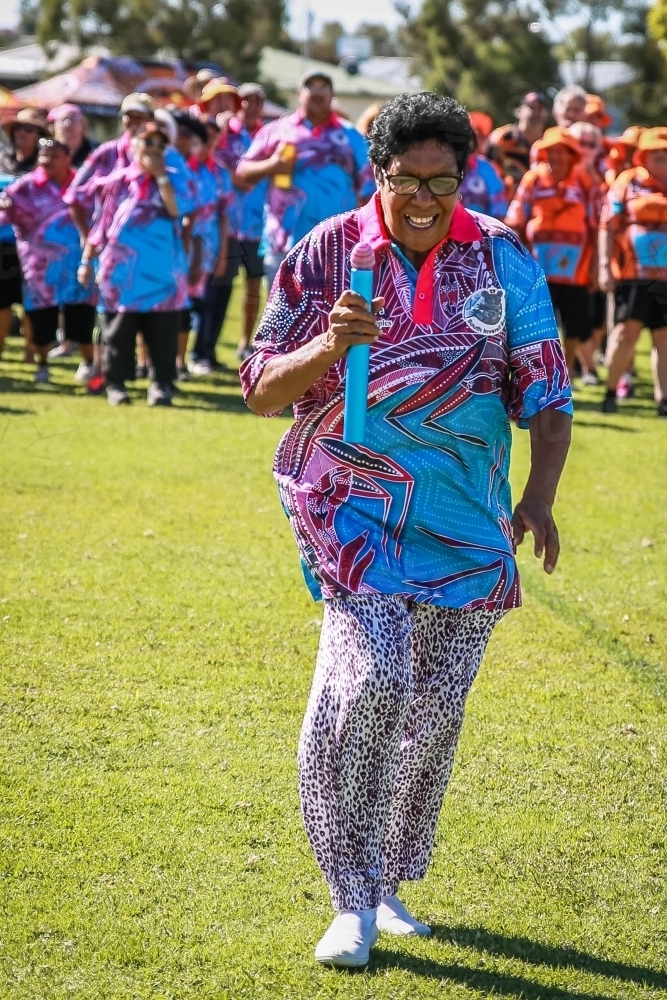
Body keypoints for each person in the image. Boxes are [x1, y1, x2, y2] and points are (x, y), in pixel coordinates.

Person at [240, 92, 572, 968]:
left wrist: (537, 496)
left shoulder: (501, 253)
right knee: (371, 677)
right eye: (405, 180)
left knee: (434, 710)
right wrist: (325, 348)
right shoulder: (326, 252)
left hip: (467, 518)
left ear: (465, 175)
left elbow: (546, 386)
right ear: (376, 174)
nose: (423, 199)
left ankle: (386, 880)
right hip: (350, 505)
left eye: (441, 180)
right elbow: (258, 384)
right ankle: (346, 896)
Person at [78, 121, 195, 407]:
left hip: (162, 273)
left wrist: (160, 177)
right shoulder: (117, 182)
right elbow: (101, 224)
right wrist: (86, 260)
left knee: (163, 332)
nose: (153, 149)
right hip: (121, 274)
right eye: (148, 143)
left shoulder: (176, 177)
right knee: (117, 331)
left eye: (159, 144)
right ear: (134, 146)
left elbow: (178, 209)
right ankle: (115, 384)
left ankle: (161, 385)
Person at [236, 70, 375, 289]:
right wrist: (272, 165)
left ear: (332, 95)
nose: (317, 92)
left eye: (324, 86)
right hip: (284, 243)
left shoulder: (350, 135)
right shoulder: (277, 129)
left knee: (331, 318)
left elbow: (369, 191)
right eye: (311, 86)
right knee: (283, 320)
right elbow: (243, 170)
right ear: (300, 94)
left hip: (336, 246)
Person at [0, 138, 97, 383]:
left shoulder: (82, 184)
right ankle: (42, 364)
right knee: (42, 320)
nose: (48, 160)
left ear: (68, 158)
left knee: (82, 319)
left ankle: (88, 362)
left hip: (79, 265)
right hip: (40, 269)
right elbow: (5, 214)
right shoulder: (25, 186)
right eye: (44, 155)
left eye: (54, 155)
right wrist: (6, 207)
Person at [506, 126, 596, 376]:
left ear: (571, 154)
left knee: (575, 323)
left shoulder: (584, 182)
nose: (555, 157)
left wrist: (597, 264)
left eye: (560, 151)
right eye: (550, 151)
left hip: (576, 268)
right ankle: (543, 369)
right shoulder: (533, 179)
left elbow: (596, 223)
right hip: (538, 266)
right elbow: (516, 217)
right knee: (540, 323)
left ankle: (565, 367)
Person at [192, 81, 268, 368]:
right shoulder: (224, 132)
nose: (249, 105)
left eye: (255, 101)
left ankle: (239, 346)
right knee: (217, 288)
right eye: (244, 100)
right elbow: (213, 159)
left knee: (250, 289)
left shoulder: (267, 134)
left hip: (258, 227)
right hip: (226, 225)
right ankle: (202, 351)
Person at [599, 127, 667, 416]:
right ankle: (611, 392)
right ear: (645, 157)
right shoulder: (628, 182)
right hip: (632, 274)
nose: (663, 160)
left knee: (664, 338)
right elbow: (607, 225)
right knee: (626, 334)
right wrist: (604, 265)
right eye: (658, 155)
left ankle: (663, 400)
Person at [65, 92, 156, 239]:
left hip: (152, 243)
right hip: (109, 244)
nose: (133, 121)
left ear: (151, 119)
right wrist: (85, 235)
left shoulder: (166, 154)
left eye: (138, 116)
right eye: (129, 116)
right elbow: (73, 195)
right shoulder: (106, 153)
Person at [181, 115, 230, 378]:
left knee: (206, 302)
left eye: (214, 136)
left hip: (209, 245)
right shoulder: (180, 168)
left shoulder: (220, 173)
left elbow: (224, 215)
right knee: (179, 305)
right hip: (180, 245)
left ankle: (199, 354)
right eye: (204, 136)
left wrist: (222, 253)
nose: (209, 141)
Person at [0, 108, 50, 360]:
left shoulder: (44, 167)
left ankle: (32, 353)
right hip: (3, 243)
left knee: (31, 301)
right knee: (1, 301)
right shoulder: (2, 159)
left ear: (40, 135)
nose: (22, 133)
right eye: (19, 128)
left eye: (29, 129)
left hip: (34, 245)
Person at [569, 120, 606, 384]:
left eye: (591, 145)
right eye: (580, 143)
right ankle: (582, 368)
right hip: (560, 260)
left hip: (596, 256)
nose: (585, 150)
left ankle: (588, 367)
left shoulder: (605, 177)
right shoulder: (552, 173)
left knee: (595, 317)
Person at [487, 92, 549, 197]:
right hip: (501, 204)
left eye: (541, 108)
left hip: (537, 204)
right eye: (532, 107)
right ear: (519, 111)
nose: (537, 112)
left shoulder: (548, 143)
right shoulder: (502, 137)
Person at [460, 112, 507, 219]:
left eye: (477, 137)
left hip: (482, 229)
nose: (470, 142)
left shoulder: (486, 167)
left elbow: (499, 204)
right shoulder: (444, 165)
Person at [48, 104, 95, 168]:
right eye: (63, 120)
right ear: (55, 126)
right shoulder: (47, 152)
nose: (68, 123)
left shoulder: (95, 152)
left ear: (83, 125)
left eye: (73, 119)